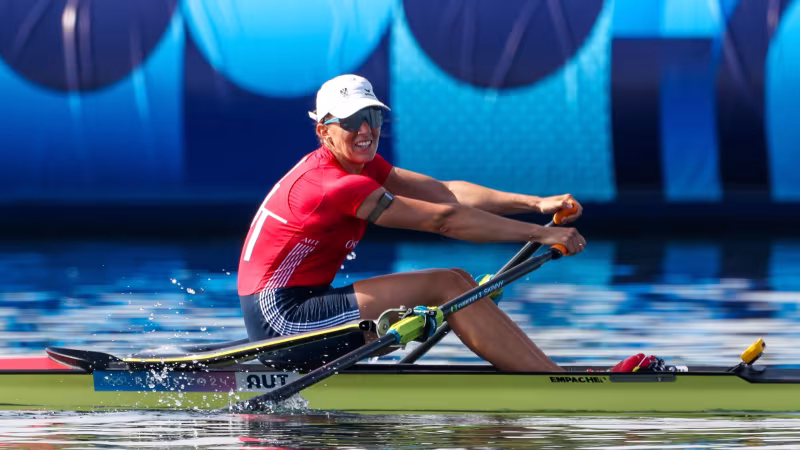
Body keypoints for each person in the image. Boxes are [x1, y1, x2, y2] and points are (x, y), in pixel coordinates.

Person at [237, 74, 587, 372]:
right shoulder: (335, 185)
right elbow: (444, 221)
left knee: (459, 281)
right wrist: (540, 234)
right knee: (447, 285)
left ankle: (546, 373)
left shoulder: (361, 166)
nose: (365, 129)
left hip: (304, 304)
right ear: (324, 131)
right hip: (281, 321)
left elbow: (446, 193)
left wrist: (536, 203)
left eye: (371, 116)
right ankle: (549, 380)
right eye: (350, 121)